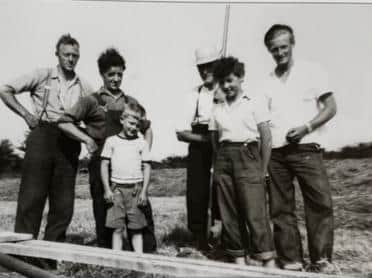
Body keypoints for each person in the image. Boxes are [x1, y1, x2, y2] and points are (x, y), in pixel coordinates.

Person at [58, 48, 156, 252]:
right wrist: (86, 139)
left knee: (139, 207)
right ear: (102, 74)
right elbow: (64, 122)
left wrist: (143, 153)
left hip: (130, 169)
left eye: (120, 74)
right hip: (102, 166)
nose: (116, 78)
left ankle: (146, 254)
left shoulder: (131, 103)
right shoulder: (92, 100)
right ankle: (107, 255)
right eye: (111, 74)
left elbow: (147, 128)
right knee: (104, 210)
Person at [0, 34, 92, 245]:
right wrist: (26, 115)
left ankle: (50, 255)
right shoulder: (43, 75)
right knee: (31, 199)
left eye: (75, 56)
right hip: (42, 136)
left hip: (69, 142)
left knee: (63, 204)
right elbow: (5, 90)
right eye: (66, 54)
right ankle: (22, 255)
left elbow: (96, 112)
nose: (71, 59)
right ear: (57, 55)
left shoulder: (84, 86)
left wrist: (87, 136)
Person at [262, 24, 337, 272]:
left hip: (306, 148)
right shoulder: (267, 81)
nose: (280, 53)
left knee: (319, 203)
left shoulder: (312, 71)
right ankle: (291, 261)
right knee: (280, 208)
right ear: (269, 50)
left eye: (283, 47)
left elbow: (330, 108)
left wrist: (306, 127)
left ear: (292, 44)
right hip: (276, 154)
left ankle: (321, 261)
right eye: (274, 49)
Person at [209, 56, 276, 267]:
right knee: (229, 212)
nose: (227, 86)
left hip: (249, 156)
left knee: (255, 212)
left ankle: (267, 260)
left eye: (230, 80)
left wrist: (263, 169)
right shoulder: (217, 108)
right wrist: (221, 161)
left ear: (241, 78)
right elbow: (214, 139)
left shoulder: (253, 103)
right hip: (224, 158)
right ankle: (239, 259)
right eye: (223, 82)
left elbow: (266, 138)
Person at [176, 46, 223, 250]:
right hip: (200, 145)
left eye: (209, 67)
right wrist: (206, 140)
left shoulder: (228, 89)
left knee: (223, 190)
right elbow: (181, 132)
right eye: (201, 68)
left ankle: (223, 237)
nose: (205, 72)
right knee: (197, 192)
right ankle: (198, 238)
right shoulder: (193, 95)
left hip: (225, 145)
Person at [101, 105, 152, 253]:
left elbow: (147, 167)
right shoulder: (111, 141)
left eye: (138, 125)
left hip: (135, 190)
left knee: (136, 229)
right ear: (122, 120)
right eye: (131, 123)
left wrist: (144, 191)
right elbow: (104, 164)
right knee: (117, 228)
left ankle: (139, 260)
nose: (134, 127)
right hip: (116, 190)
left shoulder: (142, 143)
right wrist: (107, 190)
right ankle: (117, 260)